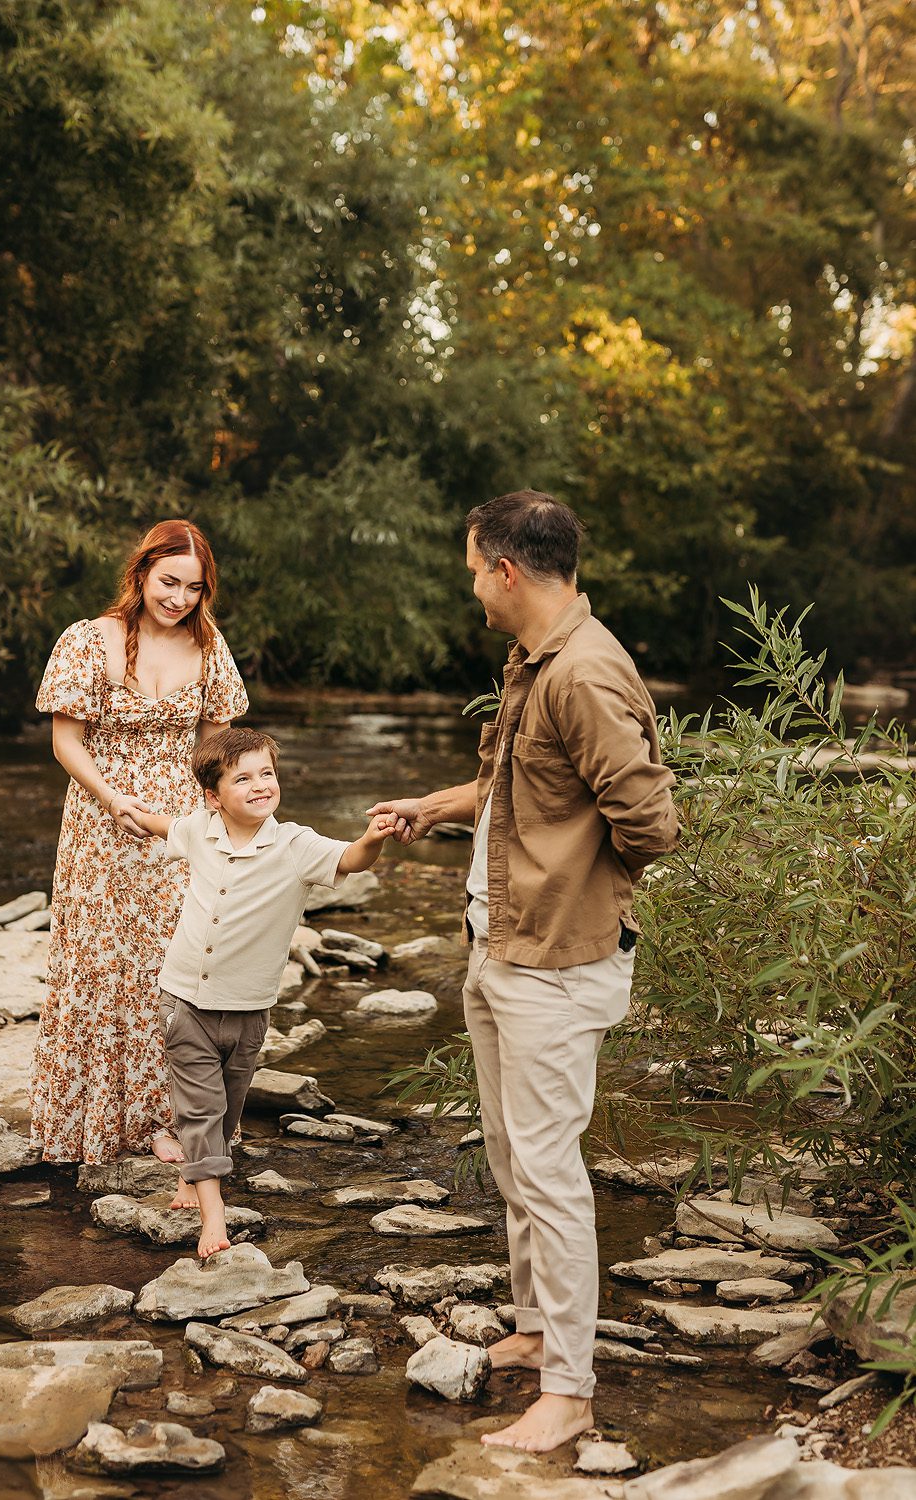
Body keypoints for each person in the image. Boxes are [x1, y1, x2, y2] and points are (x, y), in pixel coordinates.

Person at [369, 490, 677, 1455]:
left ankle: (571, 1394)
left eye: (473, 570)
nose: (471, 587)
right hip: (501, 945)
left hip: (554, 962)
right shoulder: (535, 660)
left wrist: (578, 887)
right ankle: (540, 1330)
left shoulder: (584, 672)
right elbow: (516, 789)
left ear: (507, 570)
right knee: (513, 1159)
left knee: (550, 1176)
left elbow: (651, 823)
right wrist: (436, 806)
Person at [131, 726, 395, 1257]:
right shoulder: (200, 828)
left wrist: (374, 837)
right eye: (243, 778)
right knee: (200, 1107)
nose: (260, 785)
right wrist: (132, 812)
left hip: (249, 1006)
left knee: (228, 1108)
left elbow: (350, 859)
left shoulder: (296, 845)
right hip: (184, 997)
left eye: (267, 774)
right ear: (213, 796)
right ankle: (213, 1216)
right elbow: (166, 827)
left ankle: (192, 1173)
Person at [31, 519, 248, 1164]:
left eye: (193, 588)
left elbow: (218, 745)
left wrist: (219, 819)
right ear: (142, 572)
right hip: (100, 825)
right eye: (168, 582)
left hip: (179, 827)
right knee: (100, 965)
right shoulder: (88, 639)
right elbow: (65, 741)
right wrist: (111, 798)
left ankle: (165, 1118)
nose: (178, 598)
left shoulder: (210, 647)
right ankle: (89, 1119)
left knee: (172, 967)